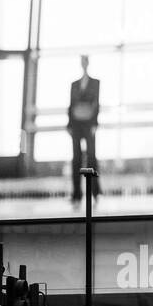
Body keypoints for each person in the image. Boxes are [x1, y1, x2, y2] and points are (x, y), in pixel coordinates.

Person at [68, 54, 101, 203]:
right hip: (76, 125)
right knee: (76, 158)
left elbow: (96, 104)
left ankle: (95, 191)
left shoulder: (95, 83)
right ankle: (76, 192)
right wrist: (69, 124)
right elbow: (71, 105)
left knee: (92, 158)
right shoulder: (74, 84)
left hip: (89, 125)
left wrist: (95, 123)